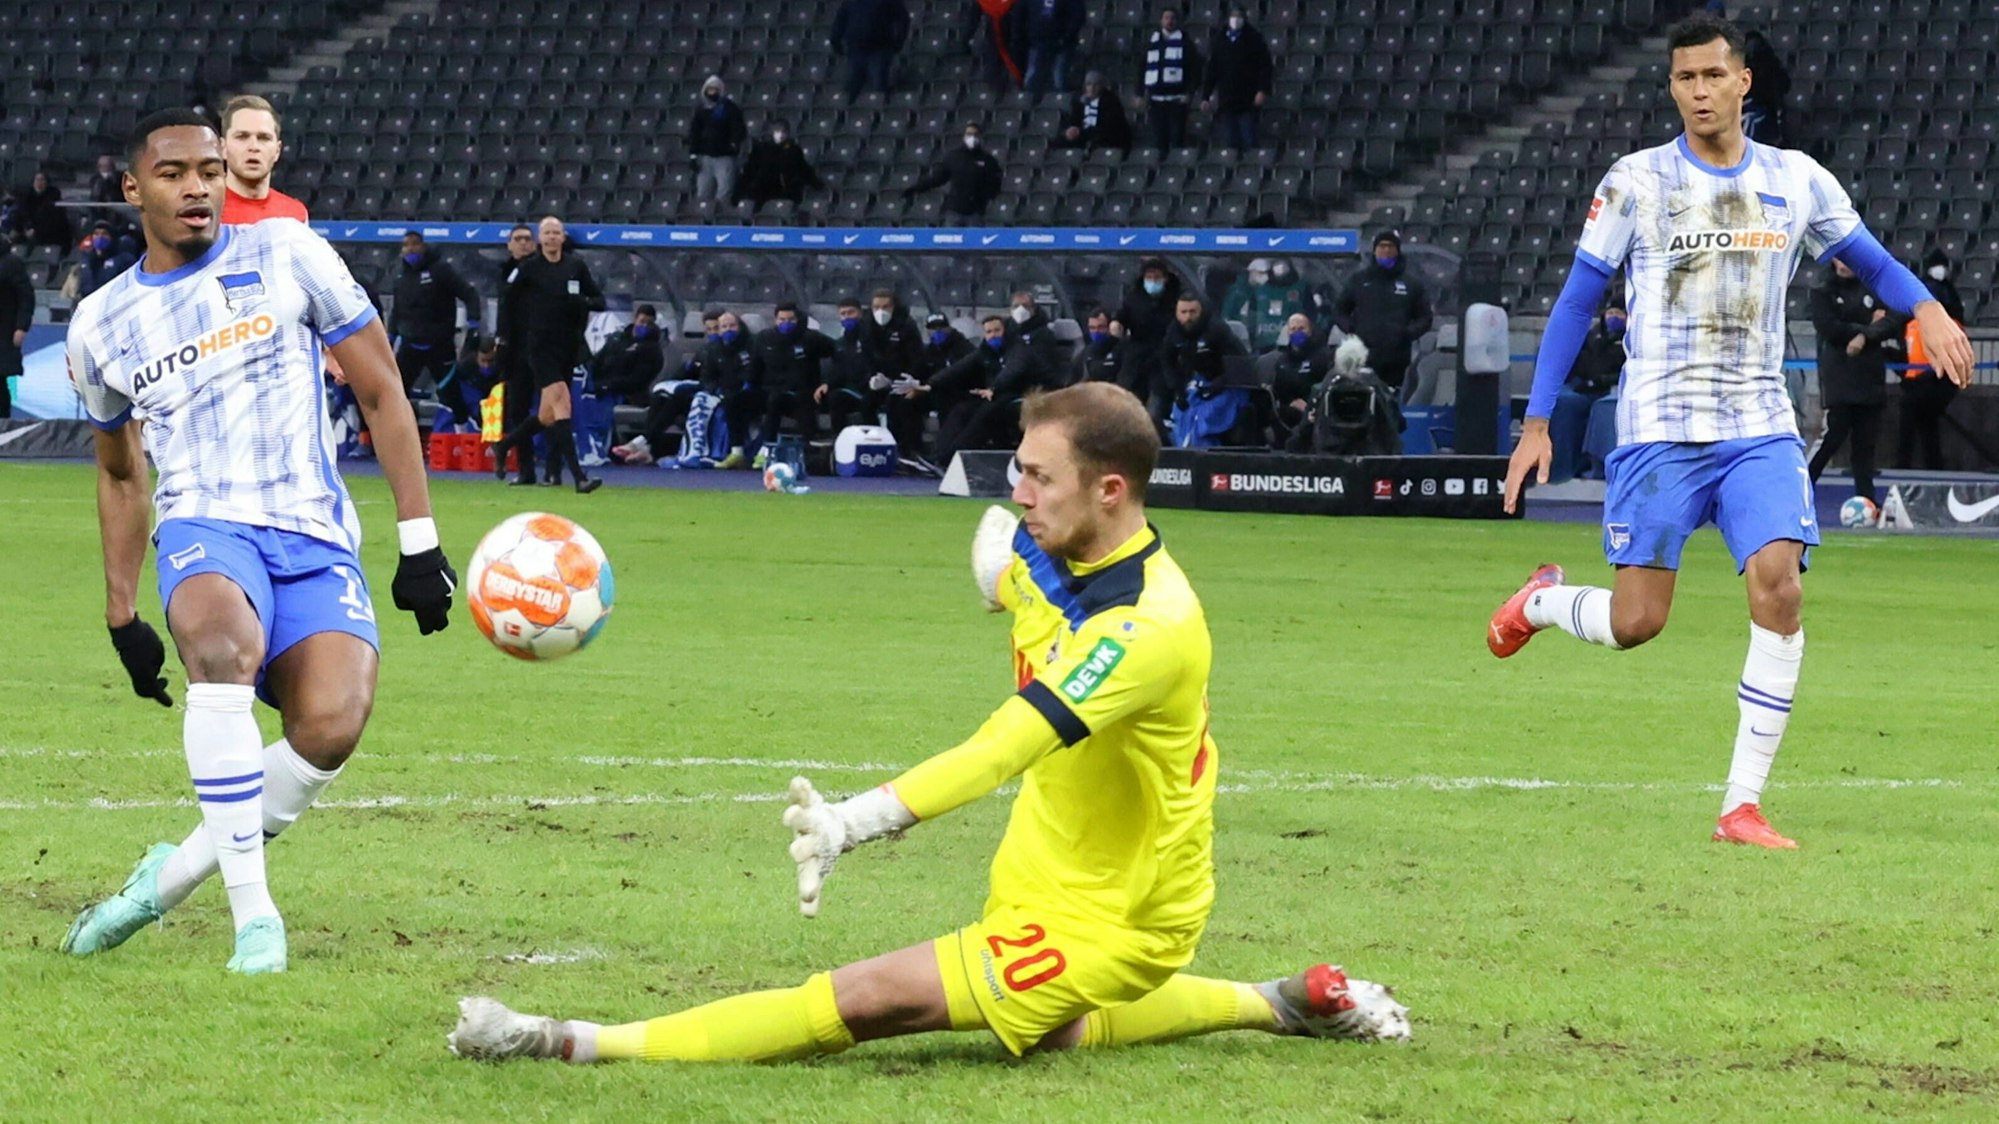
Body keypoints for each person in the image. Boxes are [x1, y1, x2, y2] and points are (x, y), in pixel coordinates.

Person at [448, 381, 1409, 1065]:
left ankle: (567, 1041)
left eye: (1037, 477)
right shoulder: (1049, 548)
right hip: (1047, 859)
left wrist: (851, 822)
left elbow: (1002, 748)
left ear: (1109, 490)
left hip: (1125, 907)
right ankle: (1282, 1002)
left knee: (868, 1000)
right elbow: (1009, 567)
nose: (1015, 494)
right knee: (1052, 1027)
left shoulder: (1151, 628)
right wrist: (996, 558)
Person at [1489, 13, 1974, 849]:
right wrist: (1536, 420)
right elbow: (1576, 300)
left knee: (1778, 586)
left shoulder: (1796, 179)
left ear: (1742, 82)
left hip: (1757, 426)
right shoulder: (1635, 181)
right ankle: (1539, 601)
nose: (1699, 91)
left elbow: (1868, 258)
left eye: (1714, 76)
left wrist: (1925, 306)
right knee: (1637, 623)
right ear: (1672, 87)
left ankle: (1738, 806)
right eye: (1684, 79)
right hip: (1659, 430)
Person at [58, 109, 457, 974]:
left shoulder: (288, 253)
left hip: (313, 528)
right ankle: (256, 924)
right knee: (220, 650)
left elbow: (384, 391)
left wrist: (419, 542)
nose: (196, 185)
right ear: (134, 190)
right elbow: (124, 474)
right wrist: (123, 610)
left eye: (208, 169)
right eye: (172, 174)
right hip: (204, 522)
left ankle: (161, 883)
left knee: (330, 726)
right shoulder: (100, 324)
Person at [490, 215, 607, 492]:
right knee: (562, 404)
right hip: (540, 347)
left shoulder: (575, 266)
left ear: (563, 237)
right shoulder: (530, 269)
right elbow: (507, 297)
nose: (553, 237)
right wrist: (504, 338)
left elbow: (599, 300)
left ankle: (504, 444)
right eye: (548, 233)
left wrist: (581, 302)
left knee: (547, 415)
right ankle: (579, 477)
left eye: (557, 232)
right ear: (540, 239)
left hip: (567, 345)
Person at [1807, 262, 1899, 504]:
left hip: (1870, 375)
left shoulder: (1874, 287)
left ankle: (1866, 499)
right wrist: (1868, 326)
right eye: (1842, 258)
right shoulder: (1822, 290)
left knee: (1866, 444)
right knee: (1833, 435)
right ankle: (1800, 490)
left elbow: (1895, 318)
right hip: (1838, 374)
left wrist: (1865, 335)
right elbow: (1829, 327)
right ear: (1834, 259)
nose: (1847, 264)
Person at [935, 294, 1065, 463]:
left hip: (1030, 392)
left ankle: (955, 458)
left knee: (988, 411)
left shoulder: (1028, 343)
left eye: (997, 331)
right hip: (1004, 391)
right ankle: (939, 455)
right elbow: (961, 367)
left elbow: (1015, 369)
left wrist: (994, 388)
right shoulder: (993, 346)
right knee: (963, 409)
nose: (993, 335)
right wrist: (930, 385)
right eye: (989, 332)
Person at [1333, 232, 1432, 397]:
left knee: (1392, 405)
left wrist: (1407, 333)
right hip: (1364, 357)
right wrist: (1352, 329)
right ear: (1374, 251)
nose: (1386, 250)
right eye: (1382, 246)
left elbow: (1425, 318)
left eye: (1390, 246)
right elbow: (1339, 310)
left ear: (1398, 251)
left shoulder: (1411, 283)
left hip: (1397, 360)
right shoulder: (1359, 280)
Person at [389, 231, 483, 400]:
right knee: (397, 393)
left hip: (440, 345)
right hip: (410, 345)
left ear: (423, 246)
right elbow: (397, 309)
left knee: (450, 394)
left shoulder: (440, 270)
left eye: (415, 244)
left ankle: (460, 425)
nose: (410, 249)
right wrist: (390, 335)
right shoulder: (399, 275)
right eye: (406, 245)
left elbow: (469, 294)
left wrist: (474, 323)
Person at [1899, 247, 1965, 470]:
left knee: (1920, 422)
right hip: (1922, 375)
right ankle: (1927, 466)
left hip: (1930, 376)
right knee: (1924, 424)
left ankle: (1910, 466)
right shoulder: (1937, 299)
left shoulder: (1943, 301)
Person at [1547, 302, 1627, 482]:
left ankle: (1599, 468)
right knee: (1563, 403)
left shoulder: (1634, 339)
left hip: (1615, 389)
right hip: (1586, 387)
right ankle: (1561, 469)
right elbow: (1579, 363)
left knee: (1605, 407)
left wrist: (1603, 381)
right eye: (1611, 312)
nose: (1614, 316)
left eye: (1619, 313)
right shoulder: (1593, 336)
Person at [754, 300, 836, 447]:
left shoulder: (811, 338)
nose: (786, 323)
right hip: (774, 391)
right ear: (775, 320)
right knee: (774, 400)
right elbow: (755, 367)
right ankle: (766, 448)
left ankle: (810, 450)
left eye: (791, 320)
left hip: (805, 392)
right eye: (782, 320)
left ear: (798, 320)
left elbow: (838, 353)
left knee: (804, 404)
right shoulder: (764, 338)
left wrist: (827, 382)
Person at [218, 95, 309, 225]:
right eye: (242, 137)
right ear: (223, 147)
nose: (254, 147)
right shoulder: (203, 210)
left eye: (263, 138)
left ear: (277, 151)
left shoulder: (295, 214)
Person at [1110, 258, 1183, 417]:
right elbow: (1122, 316)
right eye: (1148, 277)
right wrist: (1116, 324)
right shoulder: (1134, 296)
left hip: (1163, 358)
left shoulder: (1176, 298)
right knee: (1126, 404)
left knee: (1155, 408)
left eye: (1157, 277)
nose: (1152, 281)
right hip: (1136, 359)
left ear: (1166, 278)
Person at [1161, 293, 1246, 423]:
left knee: (1206, 417)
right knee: (1178, 414)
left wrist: (1220, 382)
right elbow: (1166, 359)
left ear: (1201, 311)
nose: (1188, 317)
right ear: (1177, 313)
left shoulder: (1217, 329)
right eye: (1183, 312)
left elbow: (1239, 359)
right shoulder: (1174, 331)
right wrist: (1176, 388)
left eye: (1192, 312)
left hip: (1223, 385)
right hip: (1192, 384)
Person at [1201, 6, 1273, 151]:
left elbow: (1265, 67)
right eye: (1233, 16)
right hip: (1226, 99)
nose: (1236, 20)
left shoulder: (1254, 39)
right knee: (1229, 141)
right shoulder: (1219, 40)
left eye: (1239, 16)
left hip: (1248, 98)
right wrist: (1205, 96)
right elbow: (1212, 70)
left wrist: (1263, 90)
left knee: (1249, 139)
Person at [904, 124, 1003, 223]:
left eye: (975, 134)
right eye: (969, 134)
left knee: (974, 238)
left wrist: (986, 197)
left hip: (976, 212)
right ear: (963, 136)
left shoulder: (988, 160)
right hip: (954, 211)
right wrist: (915, 188)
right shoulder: (953, 157)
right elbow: (937, 178)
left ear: (980, 137)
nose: (972, 137)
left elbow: (995, 182)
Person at [496, 223, 538, 437]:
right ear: (509, 245)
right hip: (515, 350)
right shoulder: (505, 272)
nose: (523, 243)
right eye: (518, 239)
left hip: (541, 348)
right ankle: (525, 467)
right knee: (516, 408)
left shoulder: (542, 268)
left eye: (528, 239)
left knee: (553, 409)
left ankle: (556, 466)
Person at [1138, 8, 1199, 151]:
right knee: (1159, 140)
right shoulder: (1151, 43)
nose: (1169, 21)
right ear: (1161, 21)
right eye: (1166, 18)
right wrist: (1139, 92)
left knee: (1177, 138)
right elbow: (1142, 69)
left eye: (1172, 18)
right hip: (1156, 101)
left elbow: (1195, 71)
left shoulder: (1186, 44)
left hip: (1177, 100)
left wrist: (1190, 92)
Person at [1267, 312, 1332, 444]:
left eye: (1302, 329)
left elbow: (1327, 387)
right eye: (1293, 329)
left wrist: (1309, 406)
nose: (1297, 332)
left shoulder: (1323, 357)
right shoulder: (1282, 361)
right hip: (1287, 412)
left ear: (1310, 331)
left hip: (1314, 412)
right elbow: (1278, 391)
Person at [831, 0, 911, 102]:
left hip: (879, 49)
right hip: (856, 49)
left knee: (879, 87)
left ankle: (879, 114)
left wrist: (898, 42)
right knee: (852, 87)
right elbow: (840, 20)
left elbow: (903, 19)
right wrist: (835, 41)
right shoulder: (850, 2)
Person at [735, 121, 825, 209]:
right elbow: (749, 172)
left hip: (786, 193)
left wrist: (817, 184)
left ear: (788, 133)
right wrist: (739, 193)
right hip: (762, 193)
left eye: (783, 132)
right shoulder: (761, 150)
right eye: (777, 131)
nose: (780, 135)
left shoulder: (794, 150)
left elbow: (804, 170)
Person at [689, 76, 747, 205]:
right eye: (710, 90)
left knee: (724, 193)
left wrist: (733, 145)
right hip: (705, 158)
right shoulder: (701, 110)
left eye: (715, 90)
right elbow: (694, 133)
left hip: (724, 157)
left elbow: (738, 129)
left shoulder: (730, 108)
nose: (712, 93)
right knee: (703, 193)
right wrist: (693, 155)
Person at [1022, 0, 1087, 96]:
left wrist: (1065, 37)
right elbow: (1025, 14)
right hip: (1037, 42)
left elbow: (1078, 16)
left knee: (1059, 76)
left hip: (1062, 44)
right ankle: (1028, 103)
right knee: (1032, 75)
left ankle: (1059, 103)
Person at [1057, 71, 1133, 151]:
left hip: (1106, 137)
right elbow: (1074, 120)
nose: (1092, 88)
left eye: (1096, 85)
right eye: (1089, 84)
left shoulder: (1111, 102)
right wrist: (1071, 130)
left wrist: (1083, 132)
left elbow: (1109, 126)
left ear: (1101, 86)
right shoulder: (1078, 101)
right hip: (1083, 135)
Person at [0, 236, 31, 418]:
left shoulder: (11, 263)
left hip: (4, 331)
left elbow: (26, 297)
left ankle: (2, 426)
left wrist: (21, 327)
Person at [70, 221, 138, 299]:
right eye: (96, 234)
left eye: (104, 234)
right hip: (88, 302)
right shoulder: (86, 257)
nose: (100, 237)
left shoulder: (124, 259)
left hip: (112, 302)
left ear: (112, 237)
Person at [1078, 307, 1124, 386]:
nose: (1096, 331)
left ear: (1110, 328)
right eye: (1092, 328)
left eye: (1101, 327)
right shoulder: (1085, 353)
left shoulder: (1122, 350)